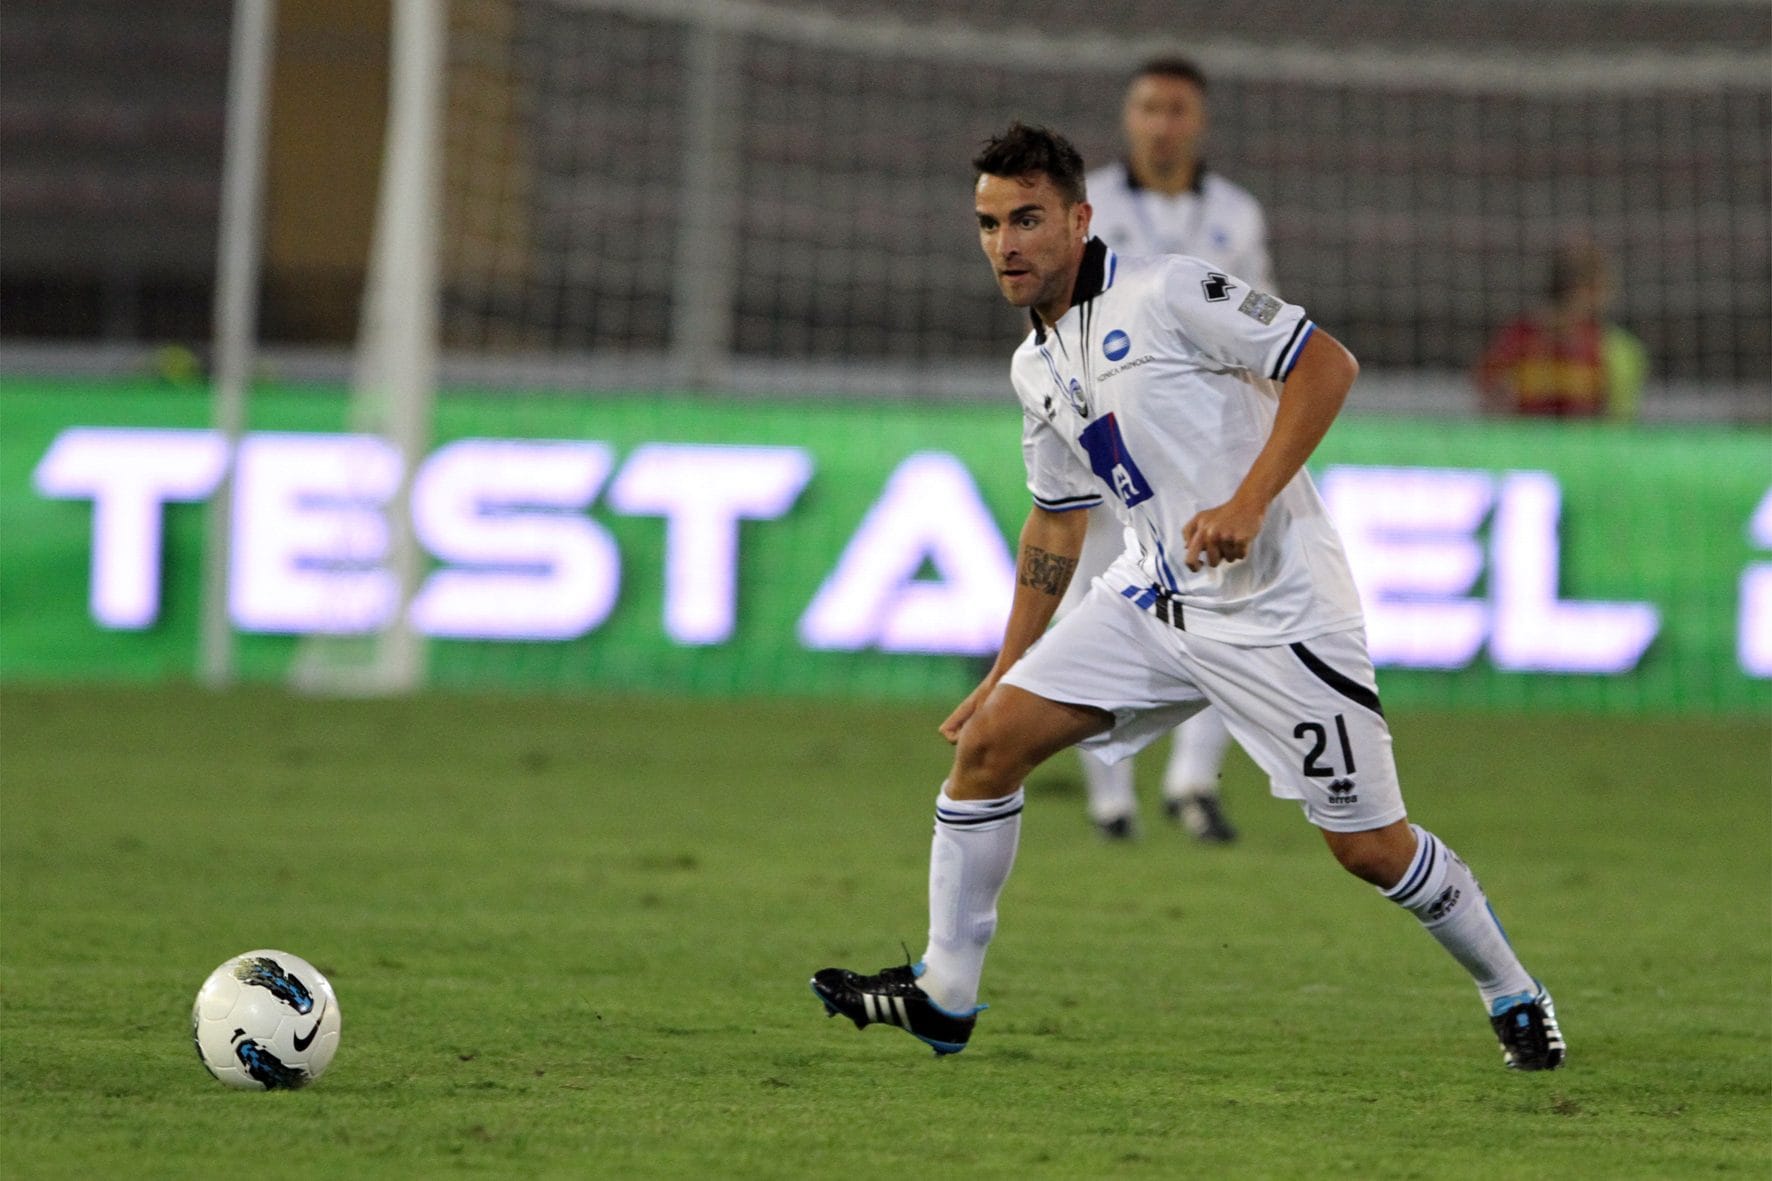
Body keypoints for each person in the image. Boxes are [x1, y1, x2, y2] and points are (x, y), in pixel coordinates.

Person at [810, 123, 1565, 1072]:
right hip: (1154, 599)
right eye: (988, 223)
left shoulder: (1169, 290)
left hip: (1278, 609)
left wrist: (1248, 501)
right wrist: (1008, 667)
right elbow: (1055, 520)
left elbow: (1325, 363)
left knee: (1371, 848)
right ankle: (944, 995)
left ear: (1080, 219)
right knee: (992, 743)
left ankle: (1512, 990)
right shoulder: (1034, 366)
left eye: (1028, 219)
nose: (1006, 243)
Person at [1065, 56, 1275, 843]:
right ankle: (1109, 797)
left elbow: (1262, 327)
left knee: (1229, 602)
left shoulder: (1236, 214)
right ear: (1130, 117)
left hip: (1209, 444)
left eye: (1177, 109)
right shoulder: (1086, 204)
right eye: (1149, 107)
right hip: (1111, 434)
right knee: (1094, 606)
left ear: (1199, 120)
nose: (1163, 123)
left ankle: (1194, 783)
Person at [1475, 239, 1647, 420]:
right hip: (1530, 445)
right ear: (1588, 289)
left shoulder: (1617, 349)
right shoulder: (1515, 341)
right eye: (1605, 286)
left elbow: (1618, 422)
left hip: (1581, 446)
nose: (1610, 295)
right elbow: (1491, 407)